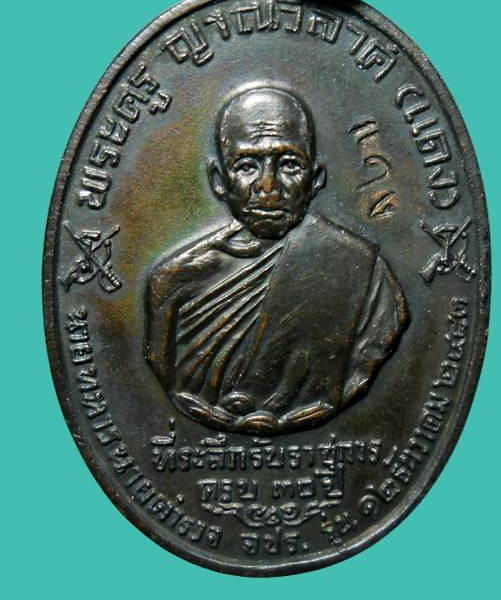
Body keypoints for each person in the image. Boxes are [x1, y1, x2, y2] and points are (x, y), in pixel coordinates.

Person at [144, 85, 409, 434]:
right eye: (247, 165)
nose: (268, 186)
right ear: (219, 181)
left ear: (315, 179)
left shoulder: (363, 272)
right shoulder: (173, 280)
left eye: (289, 164)